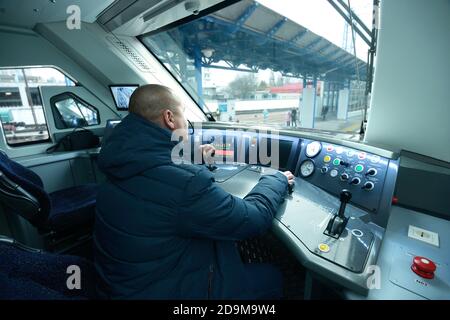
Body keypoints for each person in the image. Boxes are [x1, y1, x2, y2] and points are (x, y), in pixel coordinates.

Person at [94, 84, 294, 299]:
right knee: (272, 275)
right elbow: (253, 219)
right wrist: (276, 178)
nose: (185, 126)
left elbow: (157, 171)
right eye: (184, 119)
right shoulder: (187, 185)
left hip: (120, 283)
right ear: (170, 118)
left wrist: (190, 158)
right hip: (164, 291)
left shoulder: (118, 160)